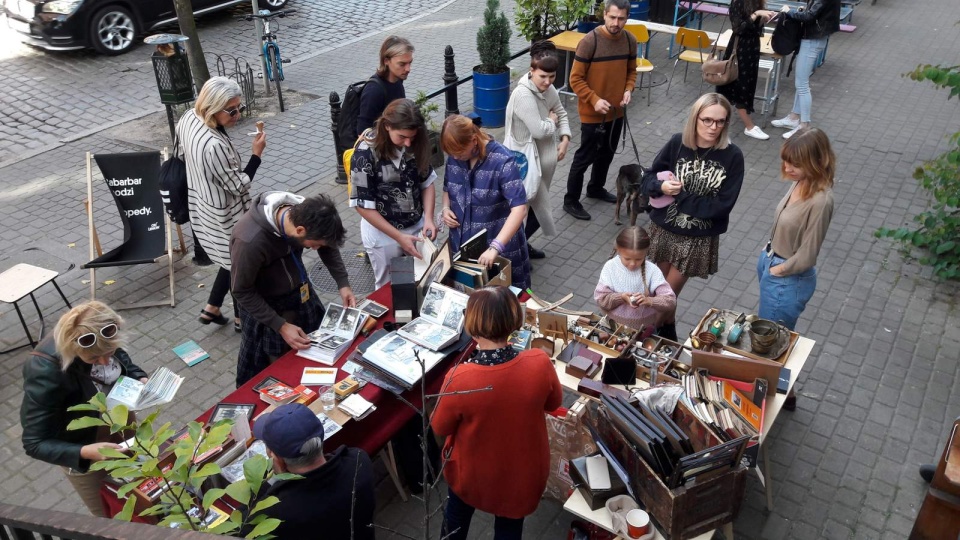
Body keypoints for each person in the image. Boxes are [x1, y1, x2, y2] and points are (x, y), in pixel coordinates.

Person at [432, 286, 562, 540]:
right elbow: (553, 403)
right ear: (513, 320)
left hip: (471, 474)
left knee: (455, 522)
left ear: (473, 324)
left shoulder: (460, 378)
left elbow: (439, 427)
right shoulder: (539, 362)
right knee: (509, 530)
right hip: (521, 475)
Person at [20, 301, 148, 517]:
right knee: (111, 516)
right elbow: (34, 443)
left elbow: (121, 360)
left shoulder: (103, 338)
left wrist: (138, 376)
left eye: (109, 351)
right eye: (94, 358)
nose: (105, 361)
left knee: (145, 490)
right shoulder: (44, 371)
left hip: (122, 424)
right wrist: (85, 452)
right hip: (85, 448)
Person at [641, 93, 745, 340]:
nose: (713, 127)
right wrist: (660, 187)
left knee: (665, 297)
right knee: (656, 294)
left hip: (696, 238)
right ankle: (669, 338)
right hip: (663, 230)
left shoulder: (733, 156)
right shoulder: (678, 143)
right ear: (695, 118)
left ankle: (637, 342)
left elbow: (721, 207)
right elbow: (647, 179)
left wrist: (680, 196)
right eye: (707, 120)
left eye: (720, 122)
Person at [230, 192, 355, 387]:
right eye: (314, 245)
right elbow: (241, 291)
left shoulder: (304, 211)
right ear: (299, 230)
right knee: (278, 374)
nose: (315, 249)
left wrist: (343, 283)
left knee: (319, 355)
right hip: (267, 310)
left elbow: (327, 246)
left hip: (300, 294)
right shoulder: (249, 241)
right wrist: (280, 325)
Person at [176, 76, 266, 332]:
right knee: (239, 263)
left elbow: (180, 153)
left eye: (240, 108)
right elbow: (238, 184)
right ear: (212, 107)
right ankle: (240, 320)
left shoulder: (188, 118)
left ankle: (212, 307)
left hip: (201, 201)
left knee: (230, 258)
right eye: (232, 110)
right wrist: (256, 155)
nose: (238, 114)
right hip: (225, 213)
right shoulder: (212, 145)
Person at [251, 403, 375, 539]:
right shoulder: (358, 460)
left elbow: (240, 529)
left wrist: (274, 479)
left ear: (277, 460)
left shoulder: (277, 510)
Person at [350, 98, 437, 289]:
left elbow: (427, 183)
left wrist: (429, 218)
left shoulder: (414, 143)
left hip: (416, 227)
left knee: (425, 282)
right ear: (387, 126)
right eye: (402, 137)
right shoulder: (365, 153)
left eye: (412, 137)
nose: (407, 143)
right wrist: (398, 237)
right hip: (383, 235)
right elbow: (362, 206)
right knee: (388, 288)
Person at [562, 0, 637, 221]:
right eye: (612, 17)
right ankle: (571, 200)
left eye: (621, 18)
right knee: (584, 157)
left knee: (607, 154)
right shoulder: (589, 41)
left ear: (627, 18)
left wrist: (628, 89)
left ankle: (595, 188)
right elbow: (575, 78)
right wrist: (594, 100)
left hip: (617, 112)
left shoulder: (630, 40)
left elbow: (632, 71)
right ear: (604, 15)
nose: (616, 23)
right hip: (592, 114)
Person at [440, 115, 531, 290]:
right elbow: (447, 188)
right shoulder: (455, 157)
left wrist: (495, 247)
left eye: (458, 153)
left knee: (503, 306)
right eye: (451, 155)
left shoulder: (503, 161)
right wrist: (445, 208)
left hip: (498, 252)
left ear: (474, 140)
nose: (454, 158)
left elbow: (519, 209)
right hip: (462, 249)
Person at [757, 127, 834, 330]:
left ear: (818, 162)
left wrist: (777, 271)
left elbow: (808, 256)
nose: (787, 167)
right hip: (772, 262)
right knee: (768, 338)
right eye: (786, 160)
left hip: (786, 278)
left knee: (770, 348)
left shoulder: (820, 201)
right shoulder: (801, 180)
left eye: (796, 164)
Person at [505, 40, 571, 259]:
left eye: (552, 77)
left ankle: (523, 245)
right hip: (525, 163)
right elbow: (540, 131)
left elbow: (560, 111)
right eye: (543, 76)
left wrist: (565, 138)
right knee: (527, 207)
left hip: (543, 162)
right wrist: (551, 123)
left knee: (534, 206)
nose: (547, 82)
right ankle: (517, 250)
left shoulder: (548, 88)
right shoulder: (523, 95)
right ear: (531, 71)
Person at [770, 0, 841, 139]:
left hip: (813, 39)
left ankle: (804, 125)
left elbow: (810, 16)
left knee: (802, 84)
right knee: (801, 81)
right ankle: (793, 117)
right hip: (815, 37)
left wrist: (788, 11)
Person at [595, 226, 676, 334]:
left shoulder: (652, 271)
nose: (633, 264)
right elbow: (601, 299)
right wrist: (621, 297)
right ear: (618, 250)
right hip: (611, 327)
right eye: (627, 258)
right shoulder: (610, 267)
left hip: (643, 331)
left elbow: (670, 301)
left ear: (646, 252)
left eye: (639, 259)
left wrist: (650, 301)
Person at [715, 0, 778, 140]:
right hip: (740, 50)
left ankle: (720, 125)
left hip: (751, 50)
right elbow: (738, 28)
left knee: (745, 86)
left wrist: (764, 18)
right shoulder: (738, 1)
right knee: (738, 88)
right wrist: (756, 14)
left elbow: (753, 27)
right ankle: (748, 126)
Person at [356, 36, 415, 137]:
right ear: (386, 61)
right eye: (402, 64)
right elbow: (362, 132)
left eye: (410, 63)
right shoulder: (374, 91)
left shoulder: (398, 80)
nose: (408, 69)